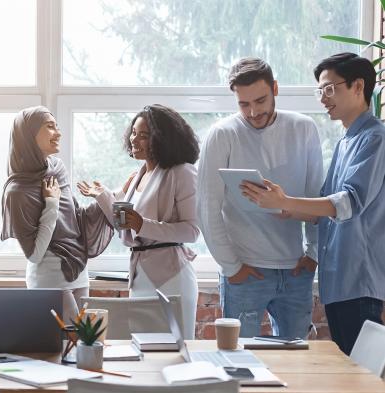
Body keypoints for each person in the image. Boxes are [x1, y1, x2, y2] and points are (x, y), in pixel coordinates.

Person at [241, 53, 385, 354]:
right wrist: (285, 206)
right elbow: (324, 208)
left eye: (330, 89)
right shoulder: (347, 141)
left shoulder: (375, 139)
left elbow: (348, 203)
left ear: (358, 86)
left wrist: (289, 201)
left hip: (359, 281)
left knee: (361, 382)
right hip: (338, 283)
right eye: (319, 91)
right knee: (349, 373)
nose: (323, 98)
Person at [197, 57, 324, 338]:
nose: (253, 112)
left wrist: (313, 253)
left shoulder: (304, 128)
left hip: (295, 271)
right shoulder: (221, 135)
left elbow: (317, 195)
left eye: (260, 100)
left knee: (298, 362)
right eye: (244, 104)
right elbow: (207, 208)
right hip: (246, 271)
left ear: (275, 88)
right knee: (241, 363)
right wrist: (232, 267)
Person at [78, 104, 201, 339]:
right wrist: (102, 196)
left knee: (176, 351)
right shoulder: (138, 176)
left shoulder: (182, 172)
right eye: (134, 132)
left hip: (172, 277)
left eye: (144, 135)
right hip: (140, 275)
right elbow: (124, 224)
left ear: (162, 139)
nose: (134, 139)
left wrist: (142, 224)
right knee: (142, 349)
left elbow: (192, 231)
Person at [1, 106, 113, 319]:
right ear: (29, 135)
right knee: (70, 341)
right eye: (50, 127)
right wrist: (51, 203)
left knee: (82, 345)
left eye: (57, 126)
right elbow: (35, 254)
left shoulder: (57, 169)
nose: (58, 133)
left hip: (79, 271)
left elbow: (75, 218)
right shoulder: (17, 191)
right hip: (50, 278)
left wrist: (105, 196)